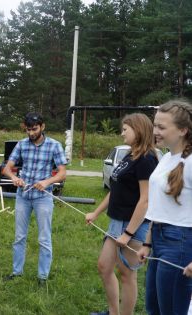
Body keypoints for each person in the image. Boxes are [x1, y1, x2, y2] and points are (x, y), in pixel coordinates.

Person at [85, 114, 158, 315]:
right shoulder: (130, 155)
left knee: (127, 274)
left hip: (134, 224)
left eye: (125, 129)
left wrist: (128, 233)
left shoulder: (146, 159)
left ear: (138, 129)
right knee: (104, 266)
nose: (121, 133)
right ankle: (113, 312)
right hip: (117, 222)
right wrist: (96, 213)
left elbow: (146, 200)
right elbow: (115, 189)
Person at [137, 99, 192, 315]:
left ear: (183, 130)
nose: (155, 131)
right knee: (154, 307)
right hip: (159, 238)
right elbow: (159, 207)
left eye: (161, 127)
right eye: (155, 125)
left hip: (180, 242)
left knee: (172, 309)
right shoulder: (167, 157)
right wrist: (148, 244)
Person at [2, 112, 67, 285]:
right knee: (19, 237)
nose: (31, 133)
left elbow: (62, 173)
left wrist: (47, 182)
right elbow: (6, 168)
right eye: (28, 129)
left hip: (43, 198)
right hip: (23, 196)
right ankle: (17, 272)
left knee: (44, 238)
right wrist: (14, 177)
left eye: (34, 129)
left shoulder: (54, 146)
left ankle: (42, 277)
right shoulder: (22, 145)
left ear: (42, 127)